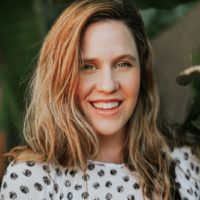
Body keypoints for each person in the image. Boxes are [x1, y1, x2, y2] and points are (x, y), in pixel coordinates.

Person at [0, 0, 200, 199]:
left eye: (122, 64)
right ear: (60, 76)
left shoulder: (186, 161)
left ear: (143, 71)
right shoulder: (32, 180)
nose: (108, 85)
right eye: (88, 66)